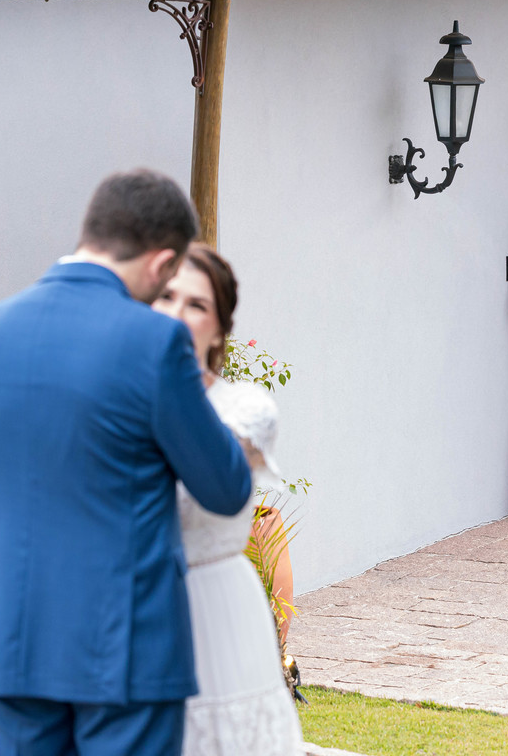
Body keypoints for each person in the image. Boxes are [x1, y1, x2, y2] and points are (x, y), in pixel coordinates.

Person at [0, 170, 253, 755]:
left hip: (14, 640)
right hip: (123, 649)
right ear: (163, 262)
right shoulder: (154, 344)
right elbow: (224, 487)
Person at [152, 244, 305, 755]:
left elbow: (212, 477)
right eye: (167, 296)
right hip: (138, 605)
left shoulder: (245, 408)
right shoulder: (117, 401)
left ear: (219, 329)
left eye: (196, 305)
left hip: (215, 605)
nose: (176, 312)